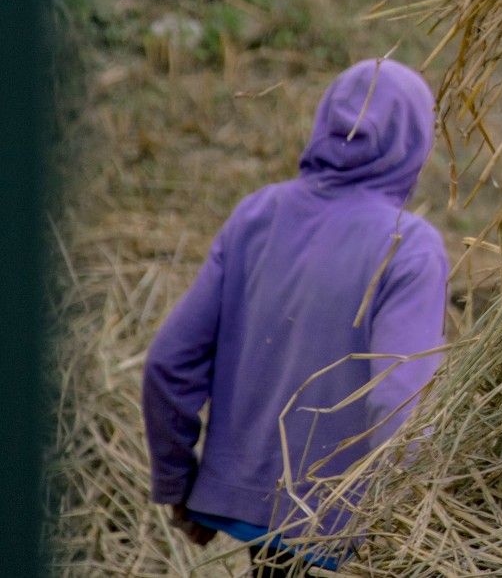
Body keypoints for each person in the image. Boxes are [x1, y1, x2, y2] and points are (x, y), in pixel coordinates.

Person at [143, 59, 449, 572]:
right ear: (416, 144)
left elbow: (167, 365)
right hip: (347, 528)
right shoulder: (409, 246)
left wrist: (179, 484)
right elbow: (400, 408)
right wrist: (417, 533)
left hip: (247, 506)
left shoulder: (257, 215)